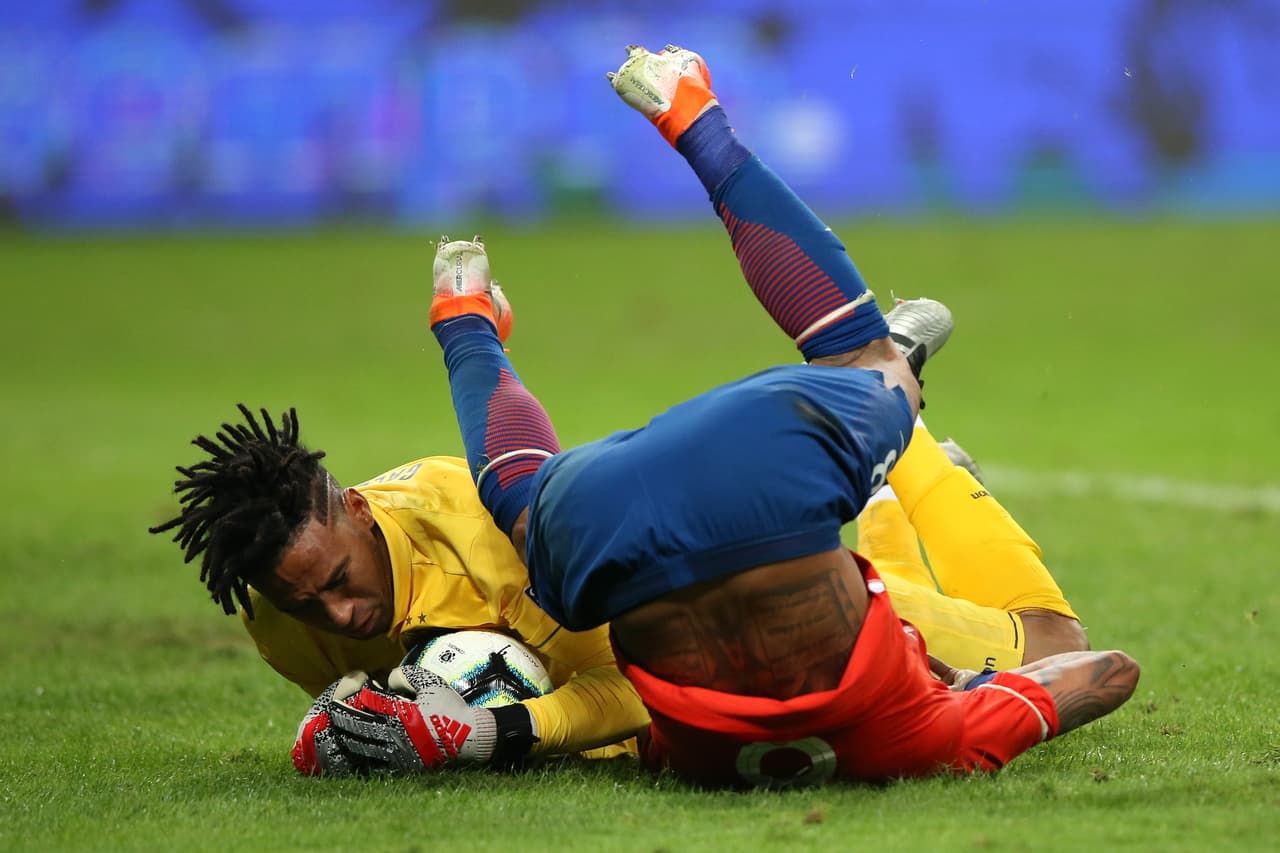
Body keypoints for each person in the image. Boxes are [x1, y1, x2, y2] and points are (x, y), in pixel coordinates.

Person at [318, 44, 1138, 788]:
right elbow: (620, 709)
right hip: (627, 509)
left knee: (871, 359)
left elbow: (1107, 674)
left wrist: (988, 693)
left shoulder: (918, 736)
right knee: (531, 516)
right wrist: (492, 731)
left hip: (772, 489)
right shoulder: (692, 759)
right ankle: (465, 322)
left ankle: (696, 119)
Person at [148, 405, 651, 774]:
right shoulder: (275, 622)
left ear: (359, 510)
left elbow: (637, 685)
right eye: (306, 605)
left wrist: (490, 732)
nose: (340, 615)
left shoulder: (489, 532)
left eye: (340, 579)